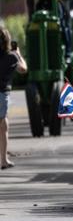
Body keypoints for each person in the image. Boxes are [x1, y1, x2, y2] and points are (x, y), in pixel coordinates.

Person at [0, 29, 27, 169]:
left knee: (4, 124)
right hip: (1, 94)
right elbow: (23, 69)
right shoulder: (11, 57)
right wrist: (19, 54)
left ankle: (4, 159)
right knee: (3, 126)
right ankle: (3, 160)